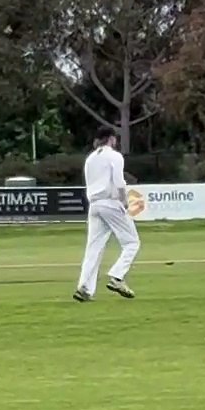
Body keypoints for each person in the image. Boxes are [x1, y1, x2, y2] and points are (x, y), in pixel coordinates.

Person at [74, 127, 139, 302]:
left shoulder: (90, 158)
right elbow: (118, 181)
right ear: (111, 139)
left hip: (94, 205)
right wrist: (124, 200)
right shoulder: (115, 156)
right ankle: (117, 277)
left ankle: (85, 288)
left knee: (93, 248)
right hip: (110, 202)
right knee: (132, 242)